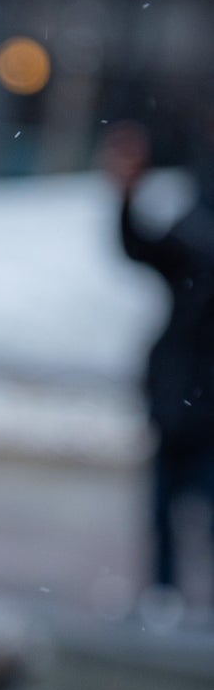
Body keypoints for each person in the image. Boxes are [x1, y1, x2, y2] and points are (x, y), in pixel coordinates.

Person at [105, 120, 214, 602]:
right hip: (180, 392)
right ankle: (164, 597)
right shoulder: (199, 210)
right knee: (166, 505)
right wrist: (127, 196)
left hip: (190, 392)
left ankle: (173, 598)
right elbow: (146, 247)